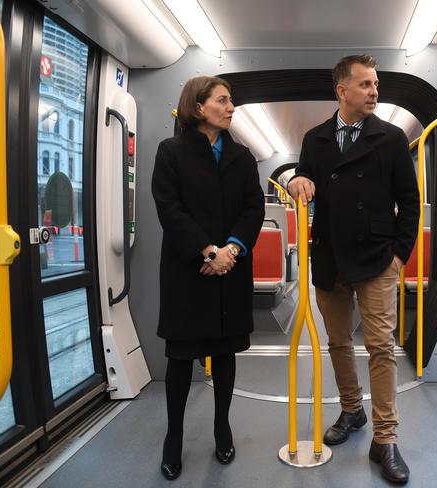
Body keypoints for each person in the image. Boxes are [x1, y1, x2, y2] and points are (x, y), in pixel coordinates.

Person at [288, 54, 419, 484]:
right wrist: (296, 181)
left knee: (381, 347)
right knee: (339, 343)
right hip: (329, 256)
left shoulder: (392, 138)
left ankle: (386, 437)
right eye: (365, 85)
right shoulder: (315, 138)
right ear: (342, 91)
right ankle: (351, 409)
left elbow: (410, 202)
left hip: (378, 258)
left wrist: (399, 256)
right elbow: (305, 176)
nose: (374, 92)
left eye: (376, 84)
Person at [151, 76, 264, 481]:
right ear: (198, 107)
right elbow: (169, 207)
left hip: (229, 271)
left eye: (231, 100)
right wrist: (207, 250)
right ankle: (174, 436)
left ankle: (222, 426)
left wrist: (231, 249)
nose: (231, 107)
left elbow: (253, 208)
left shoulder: (243, 157)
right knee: (180, 358)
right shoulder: (172, 152)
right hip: (189, 271)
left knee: (225, 353)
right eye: (222, 100)